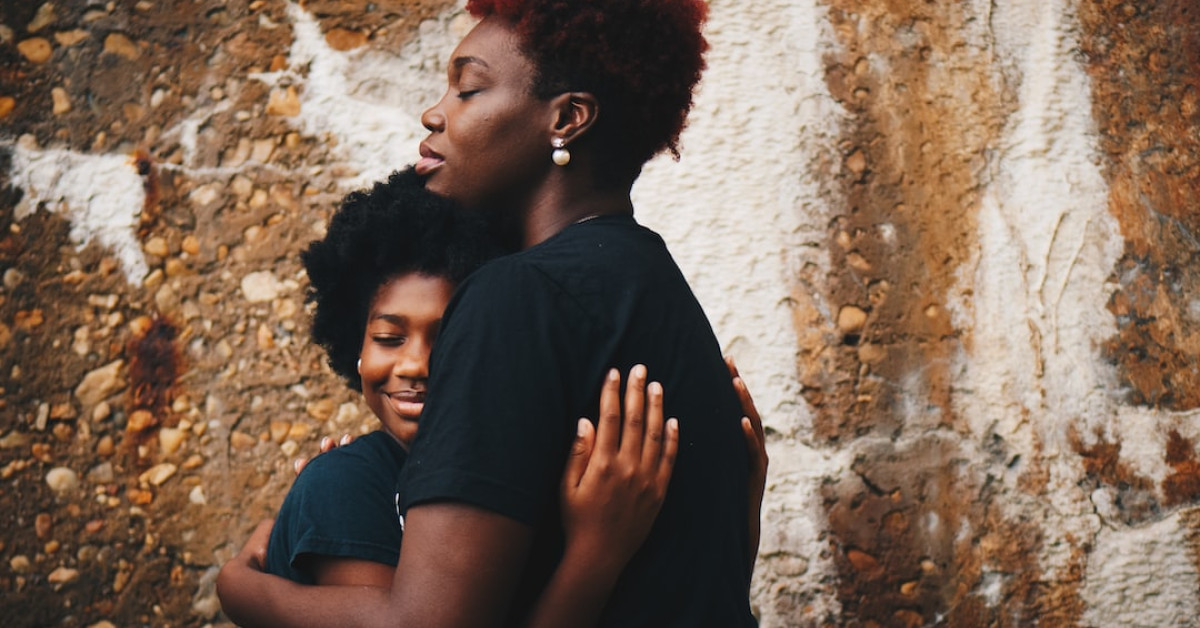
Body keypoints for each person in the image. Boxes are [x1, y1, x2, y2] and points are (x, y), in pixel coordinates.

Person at [217, 0, 767, 625]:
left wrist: (244, 591)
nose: (434, 113)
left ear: (567, 119)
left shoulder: (516, 295)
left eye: (468, 89)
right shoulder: (655, 285)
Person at [258, 169, 680, 622]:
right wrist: (595, 555)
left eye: (449, 338)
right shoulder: (345, 484)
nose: (415, 365)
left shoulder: (507, 473)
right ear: (355, 350)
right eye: (388, 338)